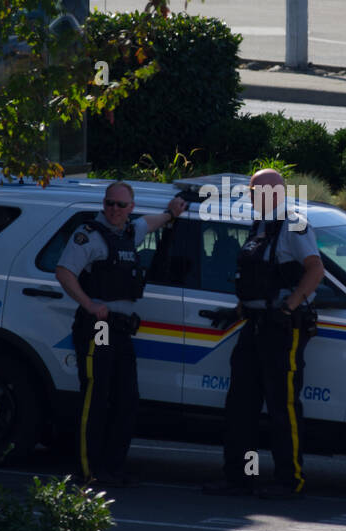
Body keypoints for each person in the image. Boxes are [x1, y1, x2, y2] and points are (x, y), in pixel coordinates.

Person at [204, 169, 325, 499]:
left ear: (276, 193)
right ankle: (239, 477)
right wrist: (240, 310)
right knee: (241, 406)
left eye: (257, 191)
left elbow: (315, 269)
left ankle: (289, 481)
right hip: (254, 324)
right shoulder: (259, 226)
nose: (253, 197)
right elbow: (260, 278)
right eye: (252, 191)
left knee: (281, 407)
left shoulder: (295, 224)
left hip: (280, 329)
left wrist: (290, 306)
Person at [57, 181, 187, 488]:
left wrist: (171, 212)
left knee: (127, 399)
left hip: (121, 329)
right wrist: (89, 304)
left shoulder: (130, 232)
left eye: (120, 205)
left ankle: (112, 470)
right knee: (96, 396)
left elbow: (151, 222)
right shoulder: (88, 235)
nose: (113, 210)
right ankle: (87, 471)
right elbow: (64, 272)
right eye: (109, 203)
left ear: (130, 207)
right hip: (98, 327)